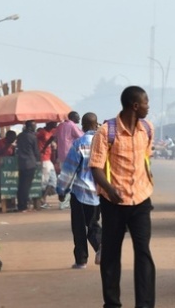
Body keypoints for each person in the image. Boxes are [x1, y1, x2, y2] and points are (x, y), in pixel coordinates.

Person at [89, 86, 155, 308]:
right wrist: (109, 188)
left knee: (143, 253)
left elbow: (145, 160)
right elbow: (96, 167)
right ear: (135, 105)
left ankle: (145, 305)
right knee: (110, 254)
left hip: (141, 200)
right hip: (113, 203)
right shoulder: (106, 131)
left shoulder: (147, 129)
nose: (148, 106)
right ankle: (112, 303)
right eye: (146, 102)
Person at [56, 112, 102, 270]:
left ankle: (81, 260)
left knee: (79, 227)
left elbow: (69, 170)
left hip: (81, 192)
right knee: (94, 223)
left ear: (82, 126)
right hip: (100, 192)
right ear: (96, 125)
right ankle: (101, 246)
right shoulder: (106, 144)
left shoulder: (80, 143)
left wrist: (62, 190)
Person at [55, 111, 84, 209]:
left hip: (62, 156)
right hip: (71, 156)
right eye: (78, 117)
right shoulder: (72, 125)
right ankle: (64, 203)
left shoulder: (60, 126)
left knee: (64, 179)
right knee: (71, 180)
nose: (79, 120)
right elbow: (82, 137)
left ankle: (63, 201)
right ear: (73, 117)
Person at [16, 120, 40, 212]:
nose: (35, 127)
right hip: (30, 163)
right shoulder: (32, 137)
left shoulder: (20, 136)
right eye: (34, 126)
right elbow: (36, 151)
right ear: (30, 127)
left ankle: (20, 205)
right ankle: (23, 206)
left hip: (21, 163)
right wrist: (38, 161)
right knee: (26, 186)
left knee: (21, 185)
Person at [36, 121, 58, 208]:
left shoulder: (51, 132)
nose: (55, 125)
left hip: (48, 158)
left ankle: (43, 199)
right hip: (43, 158)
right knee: (44, 181)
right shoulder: (41, 132)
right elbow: (36, 140)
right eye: (54, 124)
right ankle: (41, 201)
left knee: (53, 180)